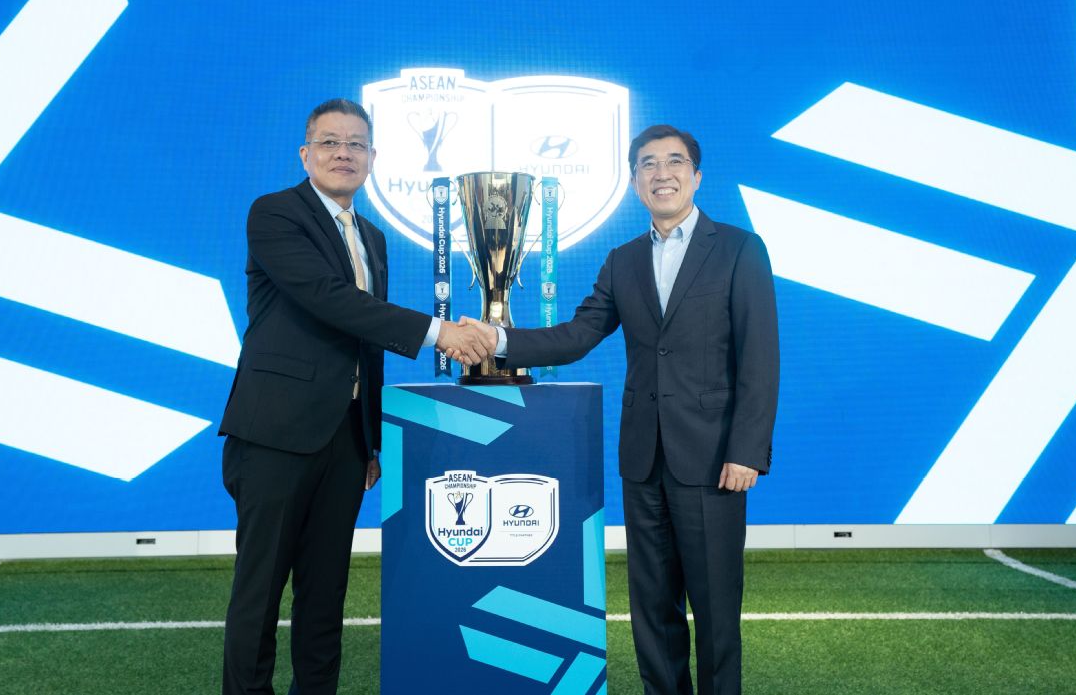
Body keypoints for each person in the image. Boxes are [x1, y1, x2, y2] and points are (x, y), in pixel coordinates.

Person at [471, 124, 779, 694]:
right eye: (648, 165)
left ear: (696, 176)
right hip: (643, 461)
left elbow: (759, 357)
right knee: (652, 610)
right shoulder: (623, 261)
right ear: (635, 182)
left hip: (714, 461)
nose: (662, 173)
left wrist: (747, 452)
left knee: (715, 612)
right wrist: (498, 340)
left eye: (674, 162)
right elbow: (577, 335)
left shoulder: (739, 249)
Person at [217, 98, 492, 695]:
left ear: (372, 158)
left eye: (356, 144)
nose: (343, 153)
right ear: (305, 153)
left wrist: (370, 439)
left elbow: (366, 342)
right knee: (259, 591)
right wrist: (437, 332)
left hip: (344, 440)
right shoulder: (275, 214)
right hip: (275, 433)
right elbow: (328, 297)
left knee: (326, 593)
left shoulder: (371, 235)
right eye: (329, 143)